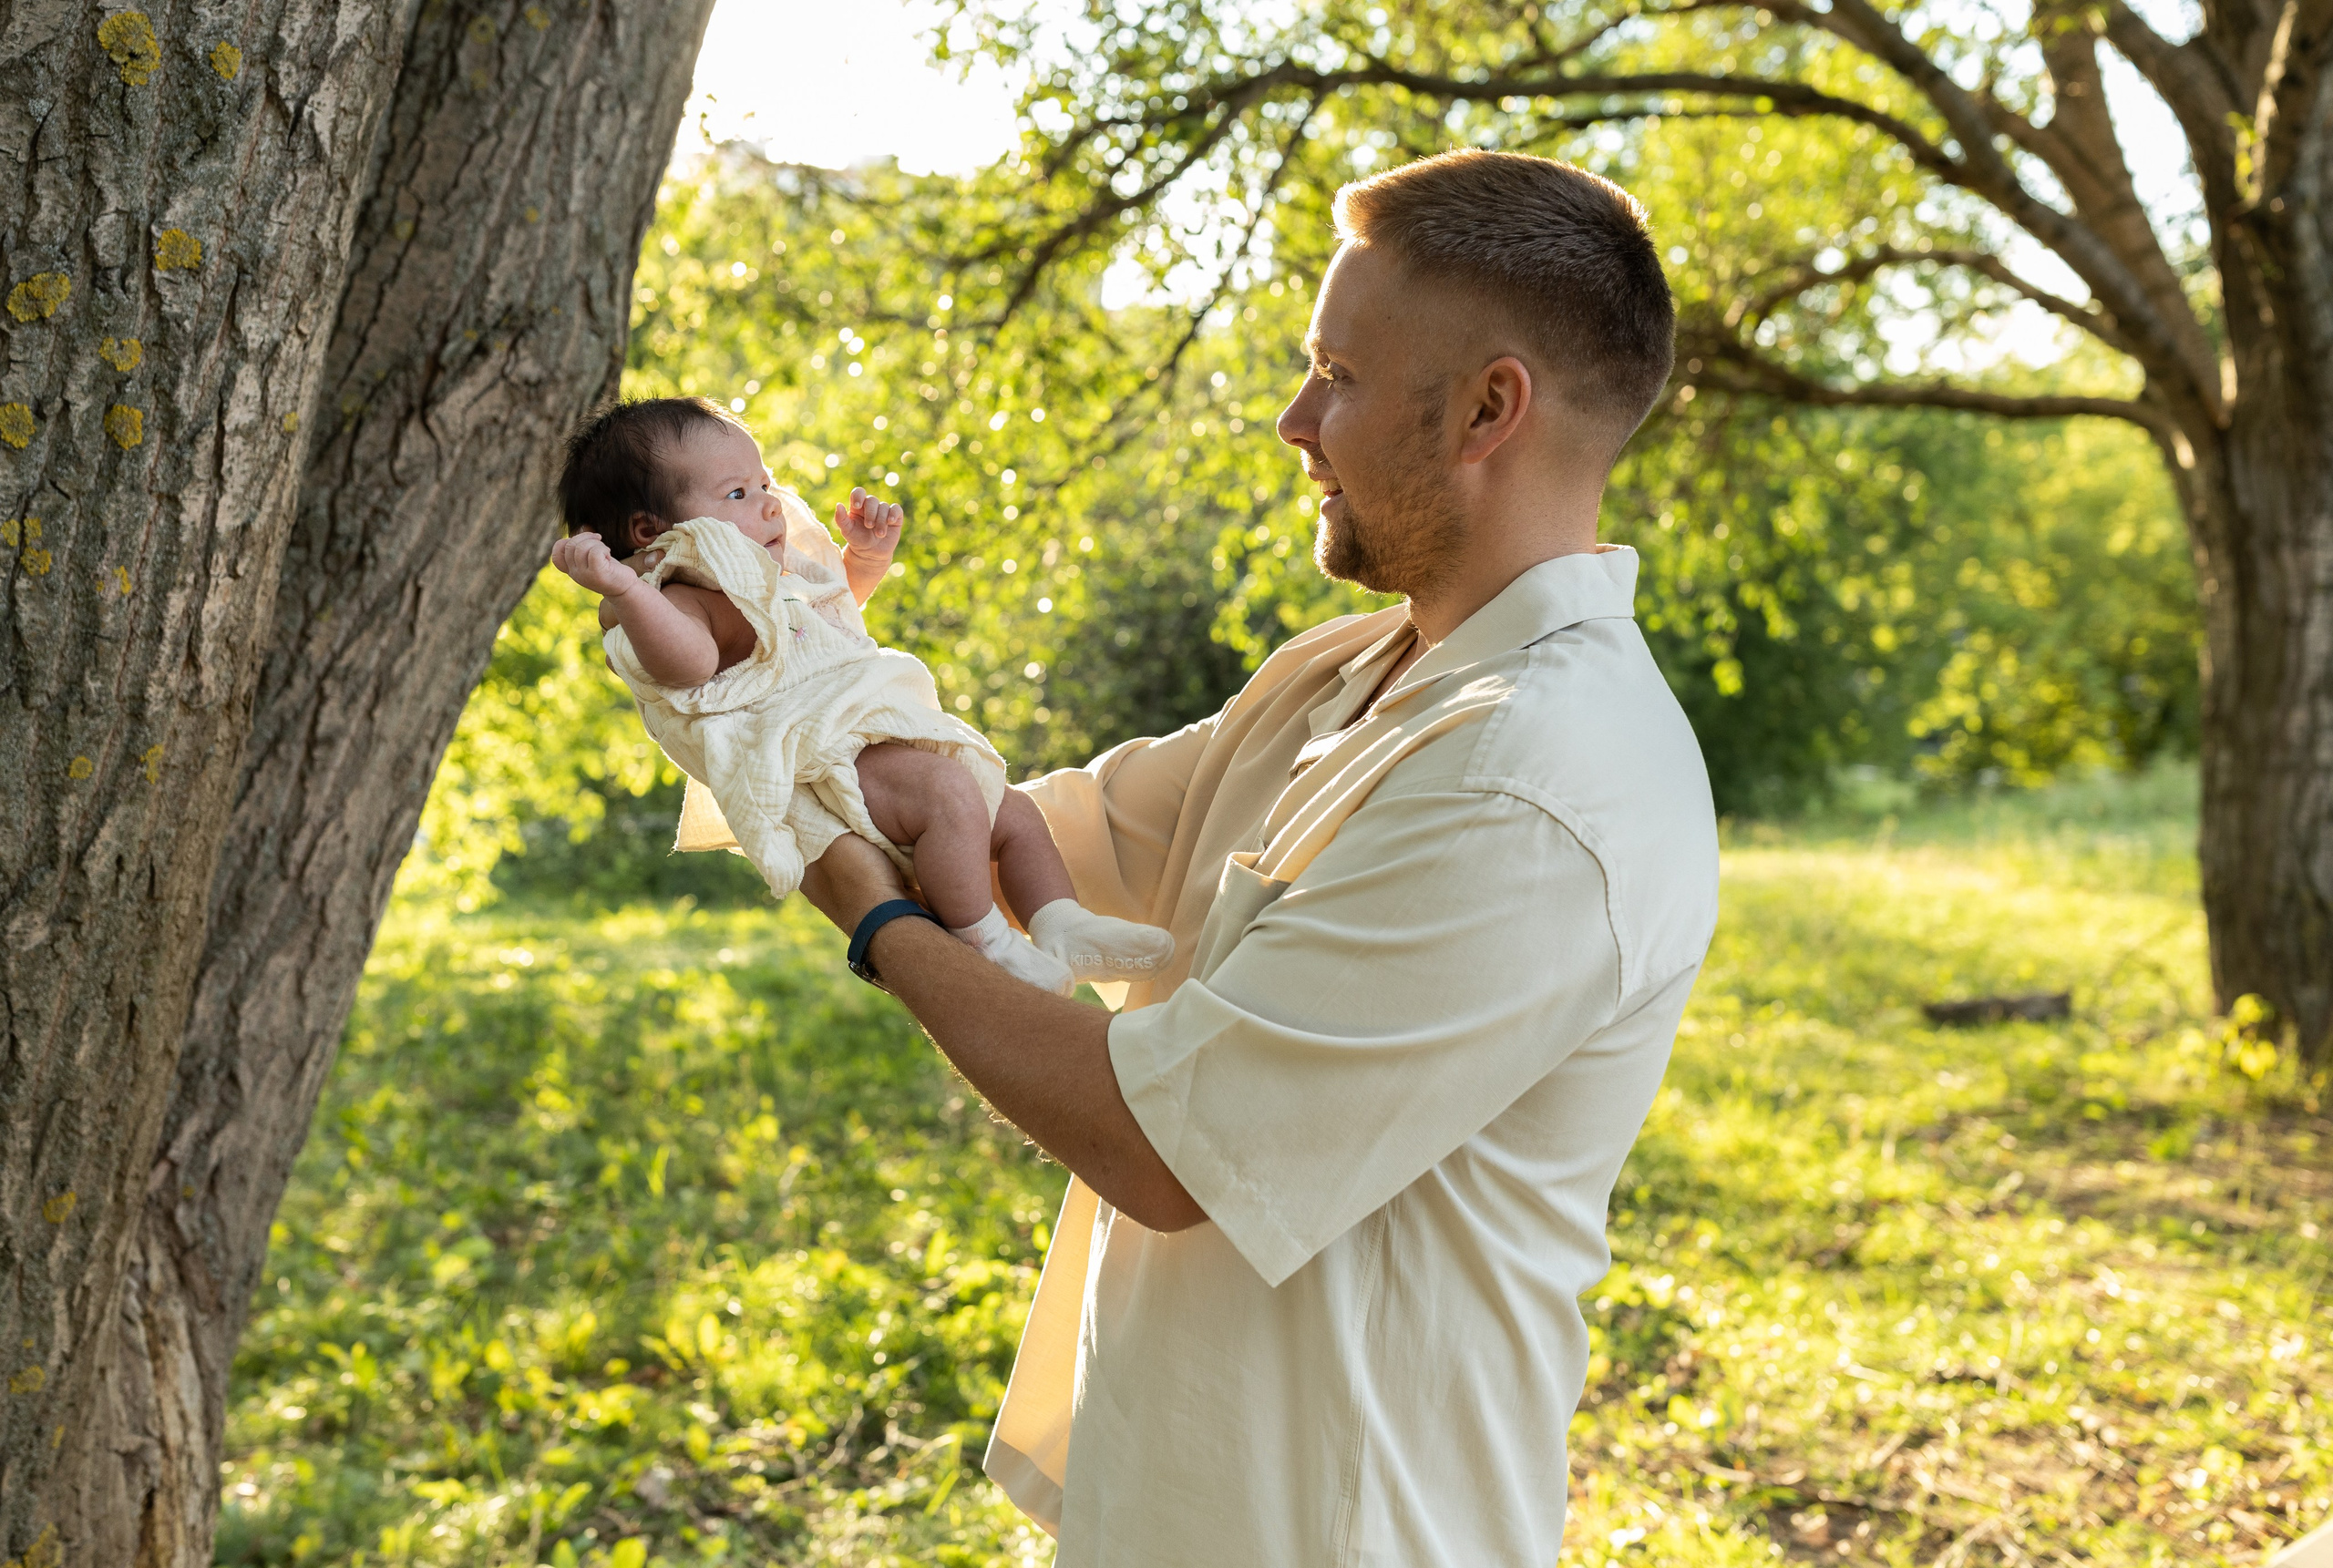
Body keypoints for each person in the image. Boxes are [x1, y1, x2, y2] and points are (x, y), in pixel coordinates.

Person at [799, 148, 1721, 1564]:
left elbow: (1168, 1145)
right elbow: (1013, 827)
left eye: (1337, 376)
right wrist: (773, 647)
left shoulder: (1539, 783)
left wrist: (881, 929)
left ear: (1490, 408)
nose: (1296, 420)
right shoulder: (1344, 675)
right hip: (1166, 1506)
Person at [549, 396, 1173, 993]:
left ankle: (1062, 923)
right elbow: (690, 666)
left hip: (868, 724)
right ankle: (984, 942)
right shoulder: (678, 597)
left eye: (766, 486)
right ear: (652, 531)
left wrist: (863, 560)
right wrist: (629, 595)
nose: (769, 507)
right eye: (737, 494)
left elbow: (826, 627)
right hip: (828, 751)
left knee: (1007, 809)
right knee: (953, 796)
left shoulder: (775, 578)